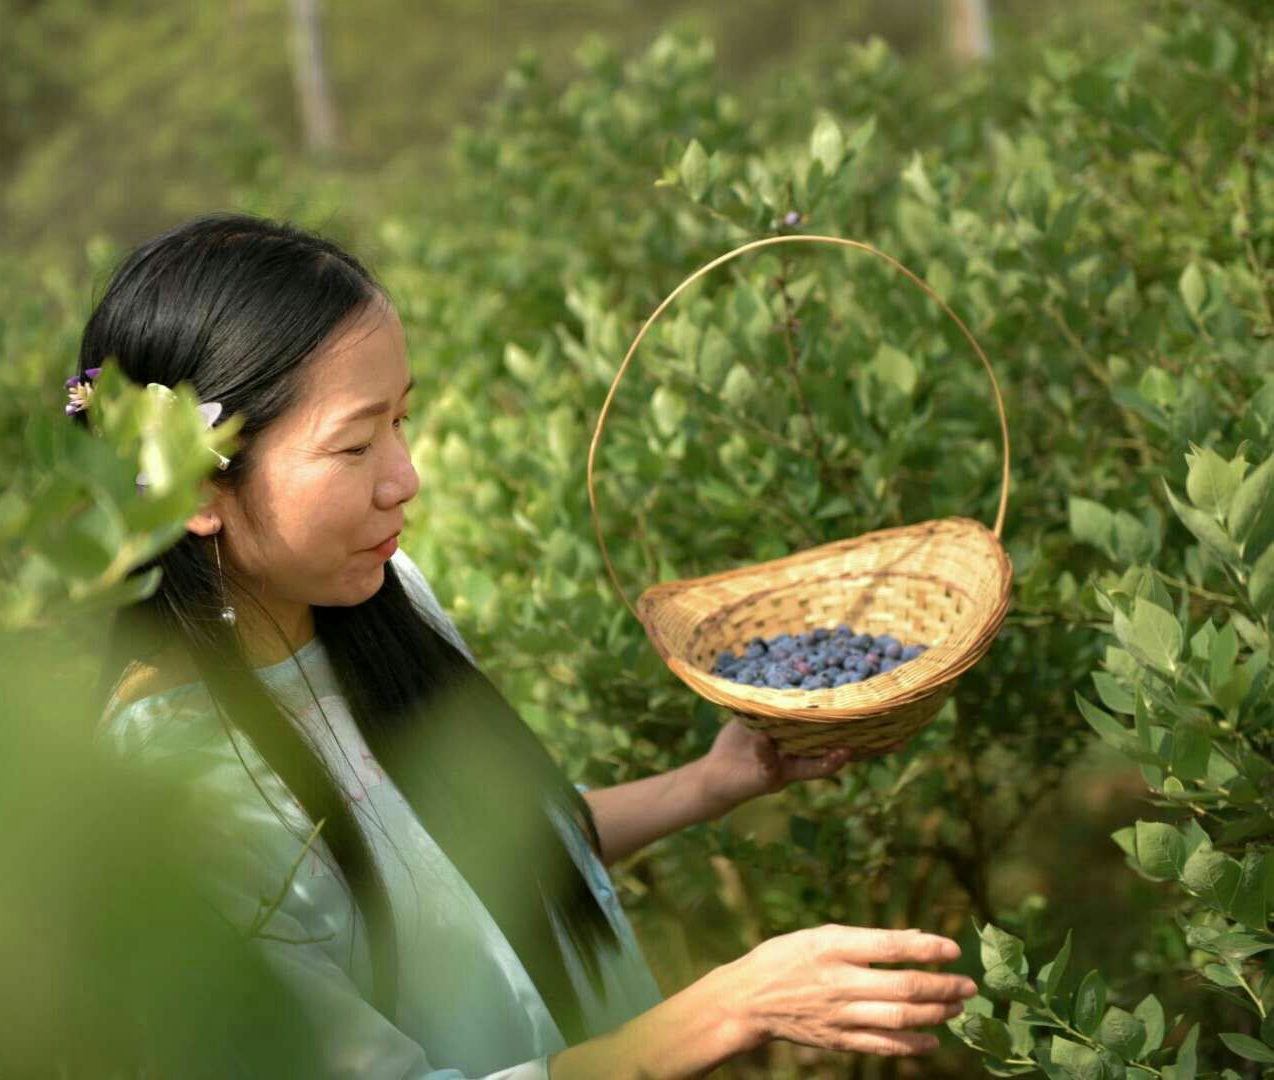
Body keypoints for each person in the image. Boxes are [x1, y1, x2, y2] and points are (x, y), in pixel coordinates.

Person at [76, 212, 977, 1078]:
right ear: (192, 490)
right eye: (354, 446)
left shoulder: (380, 599)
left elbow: (467, 852)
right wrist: (724, 1011)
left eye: (401, 421)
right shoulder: (182, 800)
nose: (405, 479)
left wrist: (711, 784)